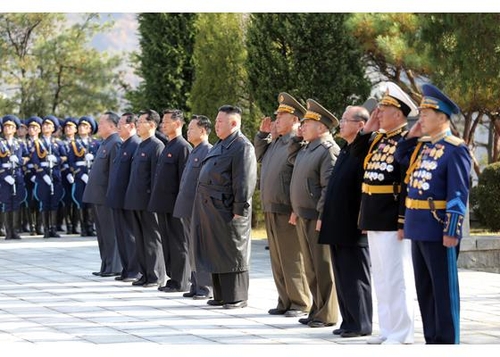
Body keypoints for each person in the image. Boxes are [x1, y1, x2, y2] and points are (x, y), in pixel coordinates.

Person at [394, 84, 472, 344]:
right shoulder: (424, 147)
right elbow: (401, 160)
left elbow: (458, 194)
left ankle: (448, 342)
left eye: (426, 114)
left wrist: (452, 231)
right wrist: (410, 137)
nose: (421, 118)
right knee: (425, 290)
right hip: (418, 227)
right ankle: (432, 341)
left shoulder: (455, 149)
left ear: (442, 117)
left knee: (443, 291)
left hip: (439, 230)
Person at [351, 82, 417, 345]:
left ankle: (402, 333)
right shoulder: (378, 139)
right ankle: (388, 329)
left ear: (399, 114)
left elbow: (406, 186)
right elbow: (355, 156)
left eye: (385, 108)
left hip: (392, 219)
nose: (378, 112)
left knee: (396, 277)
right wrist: (366, 130)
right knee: (381, 276)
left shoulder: (405, 141)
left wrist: (403, 221)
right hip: (374, 217)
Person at [317, 103, 375, 338]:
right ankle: (349, 320)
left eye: (345, 119)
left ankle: (361, 323)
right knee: (342, 275)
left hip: (354, 225)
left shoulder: (363, 148)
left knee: (356, 275)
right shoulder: (346, 148)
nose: (340, 123)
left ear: (360, 126)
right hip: (338, 224)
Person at [192, 105, 257, 309]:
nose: (216, 124)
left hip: (228, 208)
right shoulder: (222, 144)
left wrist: (240, 210)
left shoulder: (242, 146)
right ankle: (220, 294)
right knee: (217, 251)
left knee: (232, 253)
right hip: (212, 208)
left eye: (221, 121)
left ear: (234, 123)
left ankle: (236, 296)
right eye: (217, 120)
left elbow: (244, 181)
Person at [254, 92, 312, 318]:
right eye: (277, 115)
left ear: (295, 119)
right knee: (277, 259)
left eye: (281, 116)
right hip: (271, 207)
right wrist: (263, 134)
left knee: (292, 258)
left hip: (286, 209)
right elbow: (260, 155)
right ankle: (284, 299)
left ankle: (300, 301)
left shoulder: (295, 143)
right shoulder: (277, 141)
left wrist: (295, 209)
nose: (276, 119)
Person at [288, 99, 340, 328]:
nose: (302, 126)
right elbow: (292, 160)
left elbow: (329, 189)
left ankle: (326, 314)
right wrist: (296, 210)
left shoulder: (328, 150)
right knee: (310, 266)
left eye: (307, 123)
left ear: (321, 127)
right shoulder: (308, 147)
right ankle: (315, 310)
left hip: (317, 218)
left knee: (323, 267)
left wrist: (322, 217)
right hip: (303, 214)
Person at [149, 109, 192, 293]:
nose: (162, 125)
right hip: (164, 205)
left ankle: (181, 280)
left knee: (178, 242)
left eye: (166, 122)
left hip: (176, 205)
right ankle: (172, 277)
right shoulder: (169, 145)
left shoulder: (183, 147)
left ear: (177, 123)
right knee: (168, 242)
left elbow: (184, 179)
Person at [124, 109, 166, 288]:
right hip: (135, 200)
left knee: (151, 238)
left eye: (141, 122)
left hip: (148, 201)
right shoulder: (141, 145)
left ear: (152, 125)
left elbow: (157, 177)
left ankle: (155, 274)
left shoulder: (157, 146)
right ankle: (144, 273)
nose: (138, 125)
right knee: (139, 239)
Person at [173, 115, 213, 299]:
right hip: (187, 206)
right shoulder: (195, 151)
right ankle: (195, 284)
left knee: (201, 248)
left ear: (203, 131)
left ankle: (205, 287)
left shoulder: (207, 151)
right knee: (191, 247)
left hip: (198, 209)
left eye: (192, 129)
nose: (188, 132)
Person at [82, 111, 122, 277]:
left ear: (112, 126)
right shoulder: (105, 143)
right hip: (97, 195)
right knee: (102, 234)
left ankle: (114, 266)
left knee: (110, 232)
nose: (99, 125)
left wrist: (111, 196)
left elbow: (114, 174)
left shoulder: (115, 143)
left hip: (105, 196)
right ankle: (106, 265)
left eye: (102, 123)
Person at [106, 112, 141, 283]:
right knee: (121, 236)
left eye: (121, 124)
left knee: (129, 236)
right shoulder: (124, 145)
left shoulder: (135, 145)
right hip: (116, 198)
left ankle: (134, 270)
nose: (118, 127)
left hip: (126, 199)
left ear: (132, 126)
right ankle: (127, 269)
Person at [30, 115, 67, 238]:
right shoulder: (37, 143)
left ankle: (53, 228)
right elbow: (35, 160)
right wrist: (42, 174)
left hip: (55, 175)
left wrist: (56, 159)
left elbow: (64, 156)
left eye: (49, 125)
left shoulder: (57, 143)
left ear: (53, 128)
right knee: (45, 202)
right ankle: (46, 229)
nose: (46, 126)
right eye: (44, 125)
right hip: (43, 175)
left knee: (54, 202)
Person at [70, 116, 100, 237]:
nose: (82, 128)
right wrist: (81, 174)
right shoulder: (74, 144)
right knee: (81, 201)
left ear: (90, 129)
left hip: (92, 176)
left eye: (85, 126)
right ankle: (83, 227)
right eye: (80, 126)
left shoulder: (96, 143)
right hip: (80, 177)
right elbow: (71, 162)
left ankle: (90, 226)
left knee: (91, 202)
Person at [0, 115, 28, 240]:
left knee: (16, 203)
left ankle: (15, 231)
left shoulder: (20, 143)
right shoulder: (1, 143)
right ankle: (8, 231)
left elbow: (27, 157)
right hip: (5, 177)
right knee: (7, 203)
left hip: (17, 176)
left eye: (10, 126)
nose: (7, 128)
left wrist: (19, 161)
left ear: (15, 129)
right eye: (6, 126)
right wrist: (4, 175)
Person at [24, 116, 44, 235]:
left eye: (35, 127)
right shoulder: (24, 144)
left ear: (39, 130)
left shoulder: (43, 144)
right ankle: (31, 226)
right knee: (29, 200)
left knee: (40, 199)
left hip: (41, 175)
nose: (32, 129)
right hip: (28, 175)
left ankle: (39, 225)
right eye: (30, 127)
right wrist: (29, 173)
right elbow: (24, 160)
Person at [60, 117, 80, 234]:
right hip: (64, 174)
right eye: (66, 127)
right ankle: (68, 225)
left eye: (70, 127)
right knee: (66, 200)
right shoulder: (60, 143)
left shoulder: (79, 143)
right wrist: (67, 173)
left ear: (75, 129)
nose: (68, 129)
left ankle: (76, 224)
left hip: (77, 174)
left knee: (76, 199)